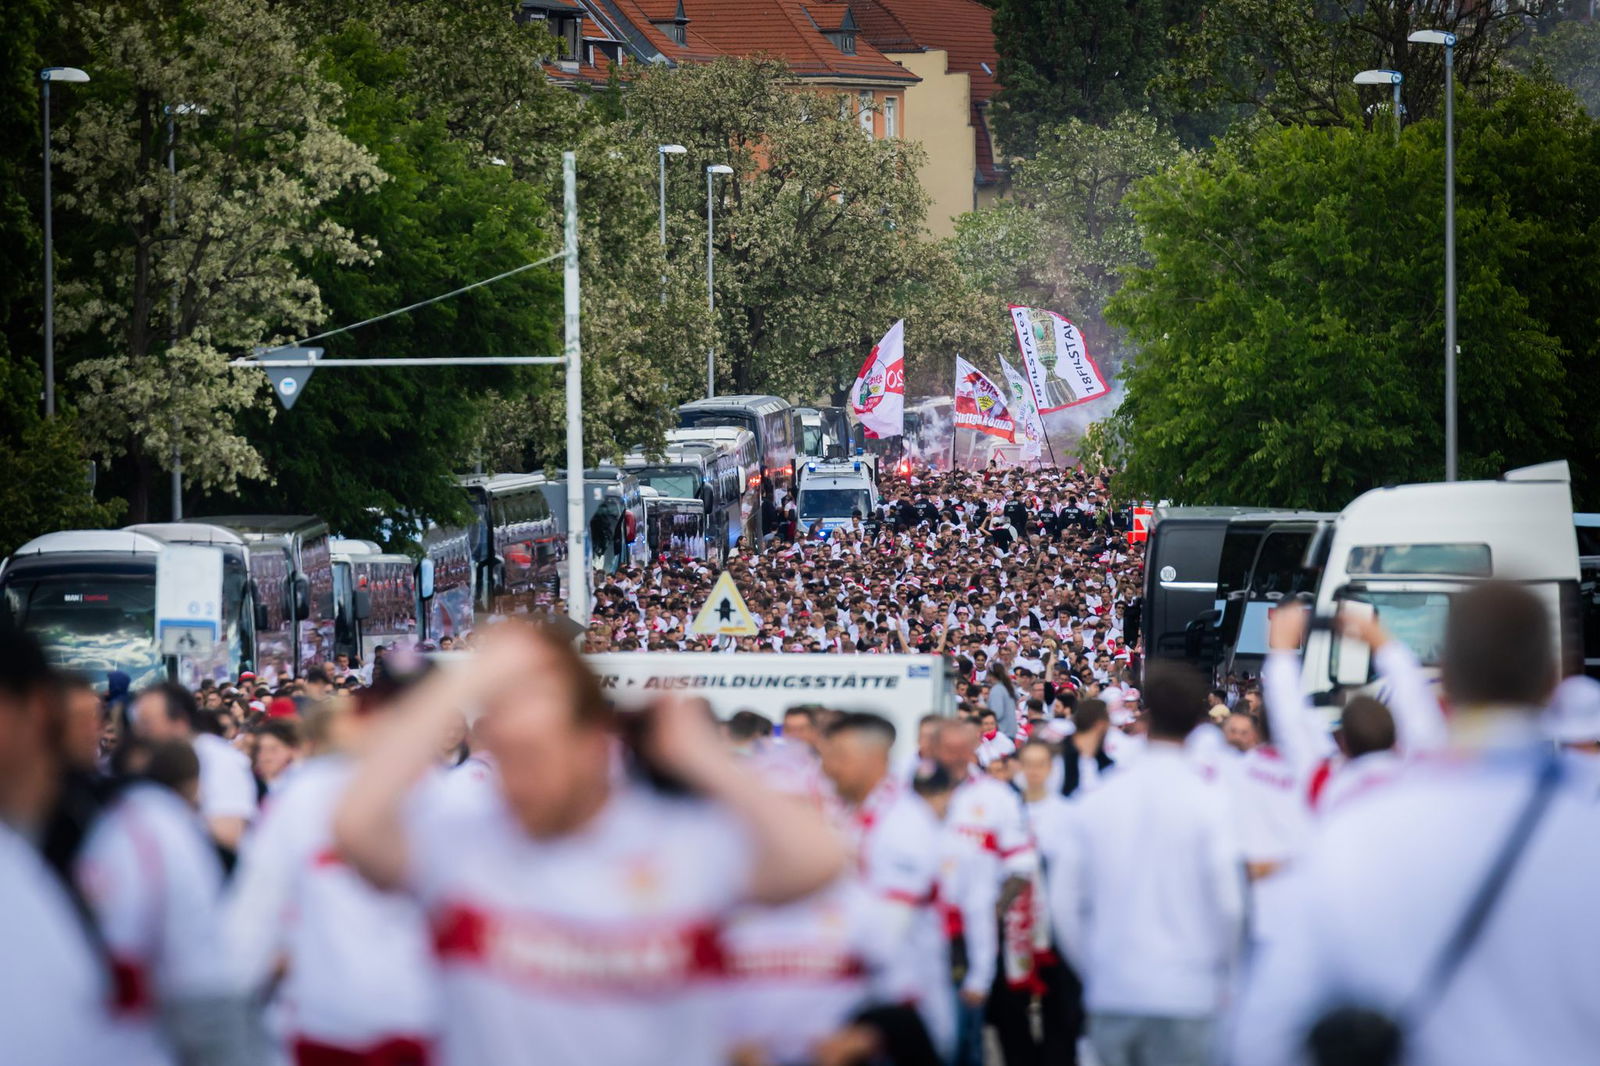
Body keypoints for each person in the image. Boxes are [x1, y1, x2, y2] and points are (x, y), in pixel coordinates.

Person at [333, 622, 843, 1066]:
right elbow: (356, 826)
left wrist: (702, 756)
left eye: (534, 755)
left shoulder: (680, 839)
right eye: (506, 756)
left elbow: (817, 861)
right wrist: (466, 679)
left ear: (593, 743)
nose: (517, 781)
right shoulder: (467, 841)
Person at [1231, 583, 1600, 1066]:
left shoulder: (1359, 822)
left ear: (1448, 676)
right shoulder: (1583, 823)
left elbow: (1263, 1036)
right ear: (1555, 681)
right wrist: (1383, 644)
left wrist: (1283, 653)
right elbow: (1416, 711)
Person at [1048, 661, 1244, 1066]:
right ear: (1198, 721)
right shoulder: (1213, 804)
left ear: (1145, 714)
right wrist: (1223, 975)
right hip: (1189, 994)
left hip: (1114, 991)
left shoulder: (1100, 798)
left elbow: (1064, 903)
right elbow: (1230, 905)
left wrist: (1096, 967)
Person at [75, 737, 254, 1066]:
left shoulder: (125, 822)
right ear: (194, 784)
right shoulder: (174, 827)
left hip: (166, 986)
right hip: (203, 984)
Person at [821, 712, 954, 1060]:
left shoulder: (902, 822)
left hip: (902, 1017)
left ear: (875, 758)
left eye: (840, 757)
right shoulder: (855, 815)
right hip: (865, 1010)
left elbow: (891, 929)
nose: (828, 767)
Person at [131, 683, 257, 853]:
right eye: (137, 723)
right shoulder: (145, 760)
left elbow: (229, 833)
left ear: (180, 722)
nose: (139, 733)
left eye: (148, 723)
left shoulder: (219, 758)